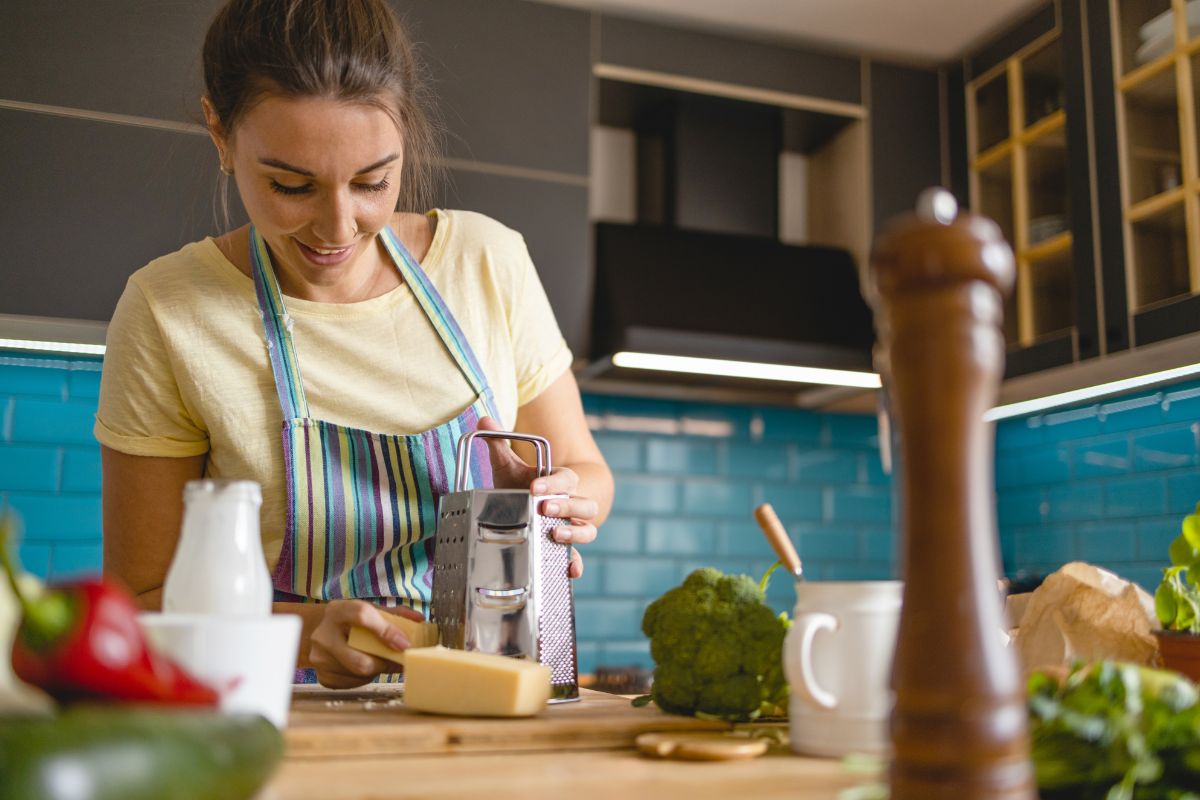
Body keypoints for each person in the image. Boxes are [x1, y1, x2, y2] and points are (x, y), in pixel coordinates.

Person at [95, 0, 613, 689]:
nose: (338, 227)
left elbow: (583, 466)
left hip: (492, 712)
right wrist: (309, 637)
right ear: (220, 133)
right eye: (290, 185)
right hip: (283, 719)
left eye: (372, 181)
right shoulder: (168, 311)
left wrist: (562, 503)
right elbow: (138, 609)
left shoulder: (489, 262)